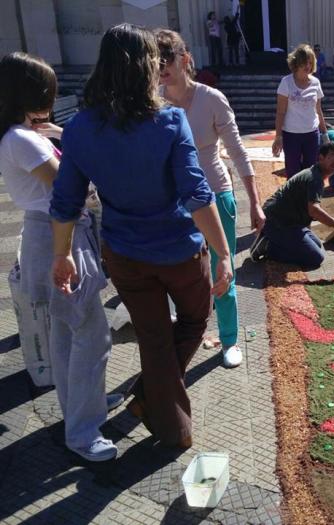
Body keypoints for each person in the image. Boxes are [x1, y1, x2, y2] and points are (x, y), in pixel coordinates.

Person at [50, 24, 233, 449]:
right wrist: (223, 252)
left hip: (124, 254)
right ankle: (163, 416)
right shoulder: (169, 120)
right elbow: (197, 193)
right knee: (193, 319)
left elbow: (65, 202)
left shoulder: (79, 127)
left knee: (154, 339)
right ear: (148, 66)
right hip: (178, 252)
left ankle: (156, 405)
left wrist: (62, 255)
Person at [0, 52, 121, 462]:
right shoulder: (21, 139)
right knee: (89, 334)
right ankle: (84, 431)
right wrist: (73, 139)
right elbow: (70, 183)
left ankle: (86, 412)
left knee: (71, 332)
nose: (51, 99)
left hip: (57, 230)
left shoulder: (24, 135)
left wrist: (59, 134)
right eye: (47, 91)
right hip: (57, 232)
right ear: (28, 93)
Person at [157, 29, 266, 368]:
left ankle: (230, 340)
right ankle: (184, 334)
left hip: (215, 193)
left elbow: (236, 150)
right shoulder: (153, 99)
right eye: (154, 60)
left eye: (167, 58)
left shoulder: (211, 99)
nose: (161, 66)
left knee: (223, 267)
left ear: (185, 58)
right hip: (171, 200)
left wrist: (254, 200)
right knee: (177, 272)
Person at [250, 142, 334, 267]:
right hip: (277, 221)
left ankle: (277, 240)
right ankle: (268, 247)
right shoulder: (314, 178)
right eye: (332, 157)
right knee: (315, 258)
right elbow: (313, 210)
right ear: (321, 158)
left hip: (290, 221)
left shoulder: (316, 173)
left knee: (317, 246)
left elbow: (307, 209)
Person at [273, 44, 327, 179]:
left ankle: (309, 198)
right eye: (304, 62)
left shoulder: (316, 82)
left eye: (310, 62)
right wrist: (278, 136)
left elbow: (318, 109)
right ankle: (293, 197)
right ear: (296, 63)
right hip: (291, 135)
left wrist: (325, 133)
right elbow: (280, 112)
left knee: (311, 170)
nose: (307, 66)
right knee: (292, 171)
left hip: (312, 134)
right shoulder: (286, 82)